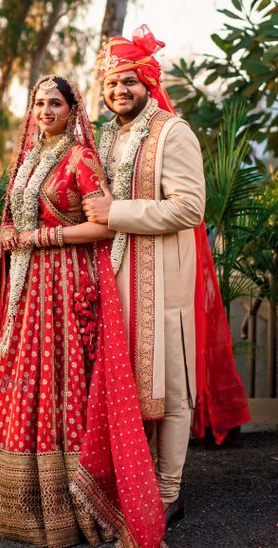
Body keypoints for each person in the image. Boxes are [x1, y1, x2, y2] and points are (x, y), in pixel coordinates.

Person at [0, 75, 167, 547]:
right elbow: (18, 211)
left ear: (73, 111)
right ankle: (11, 500)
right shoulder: (30, 158)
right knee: (24, 380)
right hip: (29, 288)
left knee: (62, 380)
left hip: (67, 286)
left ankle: (68, 505)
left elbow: (103, 227)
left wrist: (39, 238)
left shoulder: (81, 159)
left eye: (55, 103)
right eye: (39, 103)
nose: (46, 110)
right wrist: (12, 229)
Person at [83, 26, 251, 526]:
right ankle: (126, 481)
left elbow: (189, 207)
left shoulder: (172, 132)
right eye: (112, 84)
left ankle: (168, 491)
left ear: (148, 81)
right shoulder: (108, 135)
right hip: (111, 279)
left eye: (129, 82)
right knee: (123, 386)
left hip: (162, 283)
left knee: (171, 388)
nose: (119, 92)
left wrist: (116, 213)